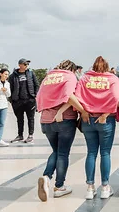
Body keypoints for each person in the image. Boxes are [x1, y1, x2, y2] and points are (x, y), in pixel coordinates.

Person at [36, 60, 89, 202]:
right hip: (64, 120)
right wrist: (83, 111)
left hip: (46, 121)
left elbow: (39, 97)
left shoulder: (48, 77)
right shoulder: (69, 76)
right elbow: (69, 96)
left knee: (56, 151)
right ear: (72, 69)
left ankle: (46, 177)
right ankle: (59, 186)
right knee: (63, 153)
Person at [75, 56, 119, 200]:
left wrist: (83, 112)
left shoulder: (85, 78)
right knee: (105, 153)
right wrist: (106, 114)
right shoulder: (113, 78)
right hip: (106, 119)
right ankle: (104, 187)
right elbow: (117, 98)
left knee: (91, 153)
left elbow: (77, 97)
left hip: (88, 118)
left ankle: (90, 188)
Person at [9, 58, 40, 144]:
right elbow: (10, 88)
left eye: (27, 64)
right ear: (20, 65)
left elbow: (36, 85)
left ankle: (30, 135)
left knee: (31, 118)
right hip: (18, 101)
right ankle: (20, 135)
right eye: (25, 64)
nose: (27, 66)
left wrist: (35, 95)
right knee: (19, 119)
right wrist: (12, 100)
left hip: (30, 100)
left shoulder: (31, 73)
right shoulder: (13, 76)